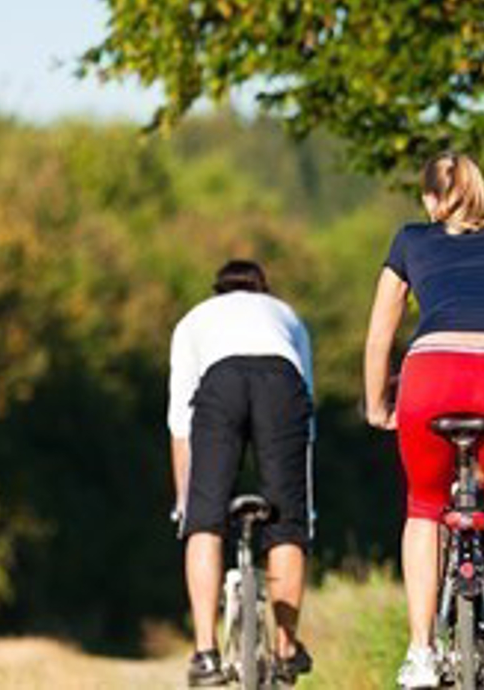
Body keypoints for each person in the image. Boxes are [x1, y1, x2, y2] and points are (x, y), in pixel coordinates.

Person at [364, 152, 484, 688]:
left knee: (425, 507)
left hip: (430, 375)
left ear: (430, 197)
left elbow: (380, 334)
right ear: (480, 189)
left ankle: (422, 654)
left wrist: (377, 404)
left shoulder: (409, 240)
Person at [168, 260, 315, 687]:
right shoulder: (287, 316)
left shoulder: (194, 319)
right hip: (280, 380)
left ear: (219, 290)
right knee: (286, 526)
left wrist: (187, 505)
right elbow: (308, 414)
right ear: (262, 289)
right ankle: (286, 650)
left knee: (205, 521)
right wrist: (306, 508)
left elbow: (181, 424)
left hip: (221, 381)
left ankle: (206, 652)